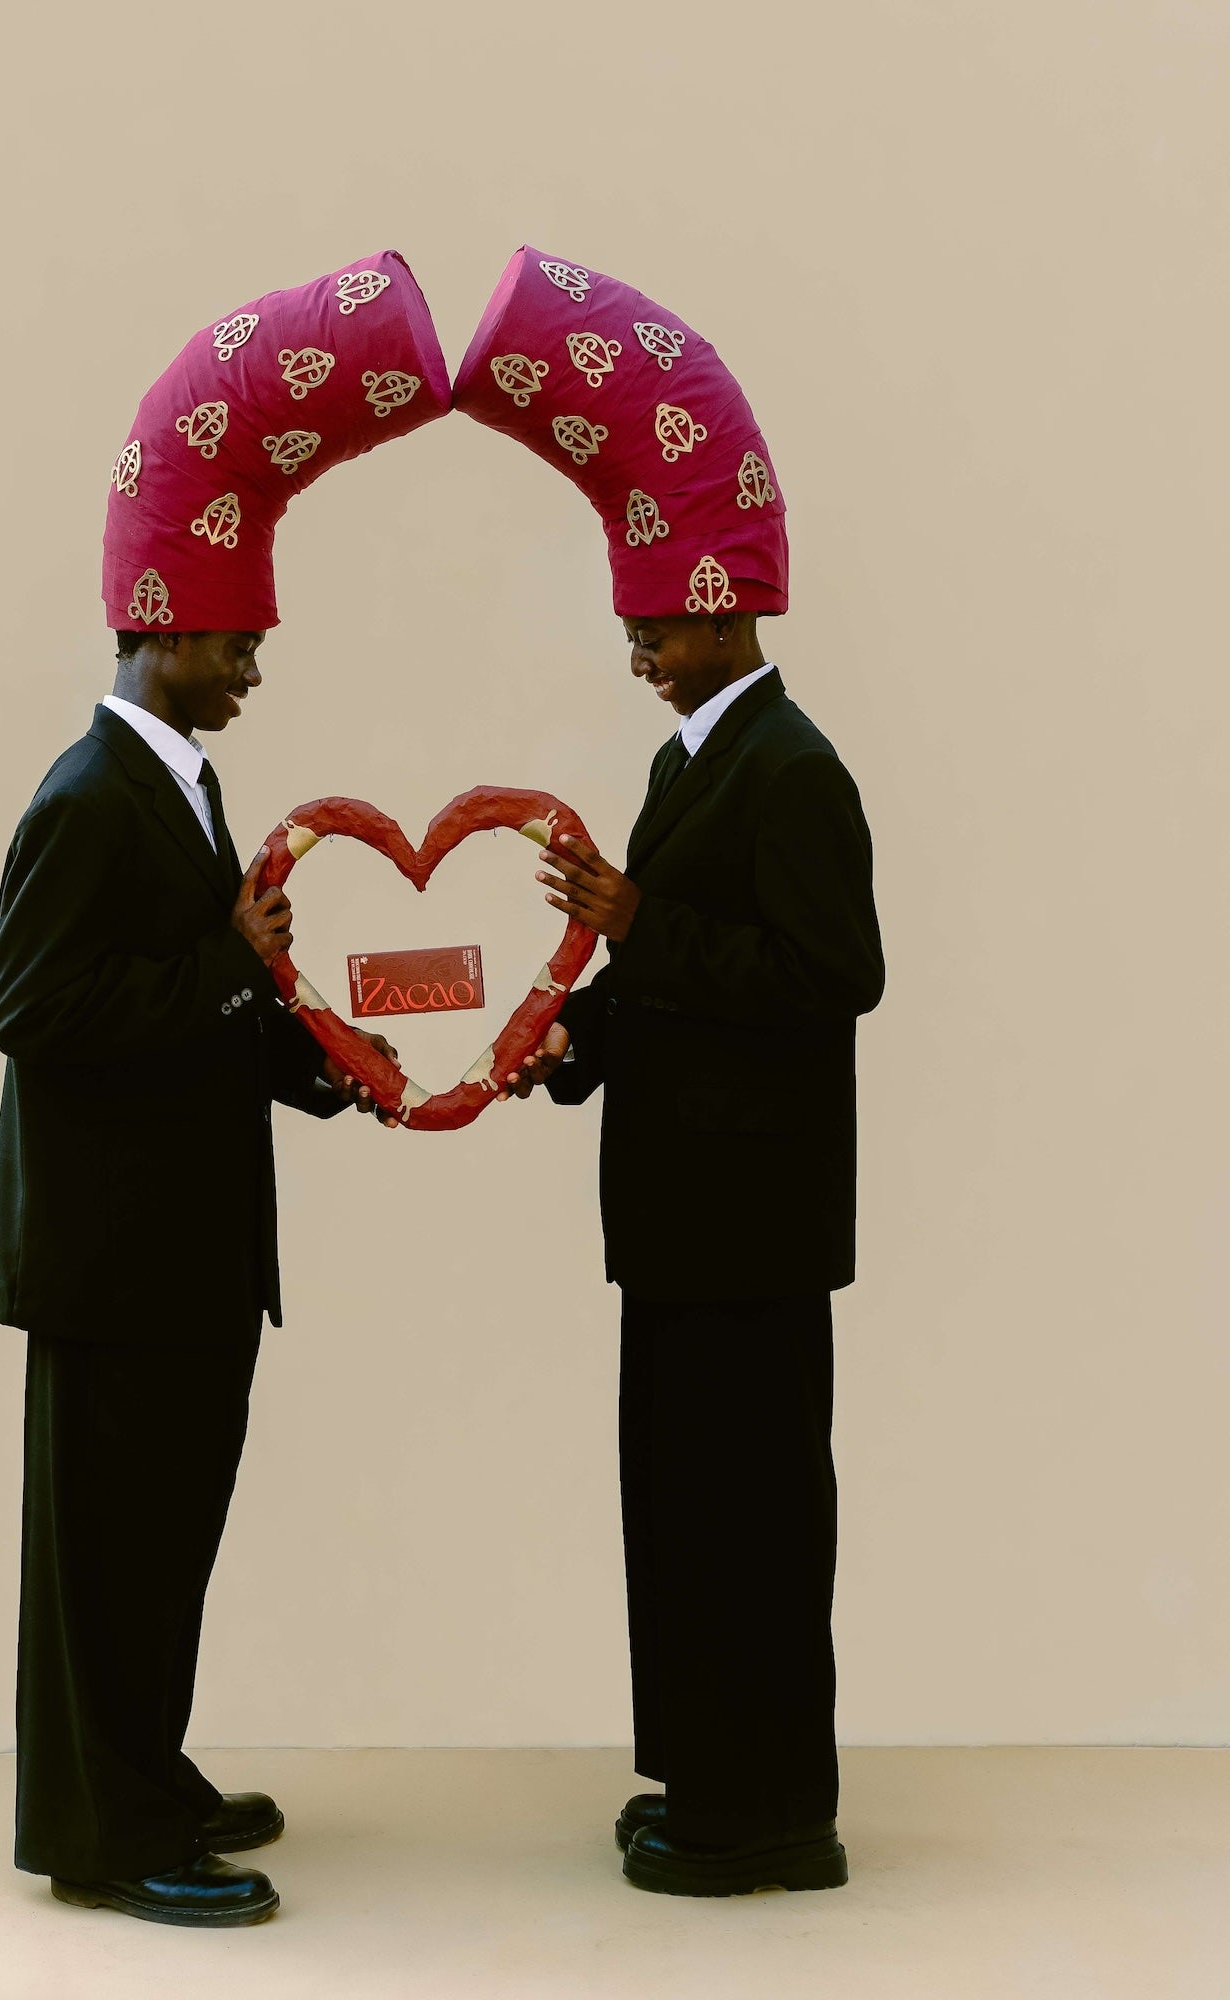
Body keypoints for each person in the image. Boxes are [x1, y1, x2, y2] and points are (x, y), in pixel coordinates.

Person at [0, 253, 450, 1928]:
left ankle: (149, 1772)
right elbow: (31, 1009)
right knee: (106, 1557)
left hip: (178, 1254)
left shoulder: (178, 782)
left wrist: (336, 1068)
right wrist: (237, 968)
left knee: (166, 1539)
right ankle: (104, 1841)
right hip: (112, 1266)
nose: (253, 663)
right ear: (164, 624)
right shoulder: (91, 795)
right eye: (238, 637)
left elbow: (195, 1007)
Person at [456, 248, 885, 1897]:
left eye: (655, 617)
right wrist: (572, 1040)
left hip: (755, 1227)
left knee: (755, 1523)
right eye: (633, 616)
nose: (636, 642)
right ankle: (707, 1776)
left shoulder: (795, 767)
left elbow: (834, 978)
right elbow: (678, 980)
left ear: (722, 603)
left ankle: (770, 1819)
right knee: (687, 1516)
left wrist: (644, 929)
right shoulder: (686, 754)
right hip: (687, 1215)